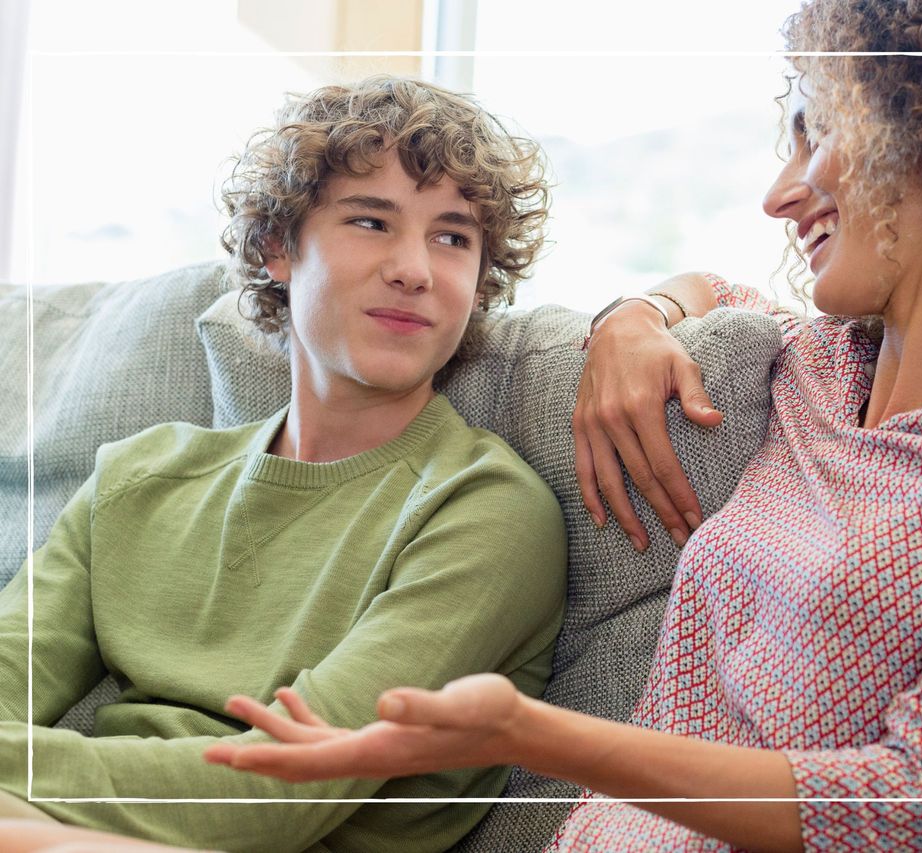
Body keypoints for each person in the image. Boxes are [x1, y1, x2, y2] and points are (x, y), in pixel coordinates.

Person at [21, 0, 922, 850]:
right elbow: (718, 291)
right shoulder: (810, 367)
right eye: (368, 224)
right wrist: (636, 312)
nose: (778, 188)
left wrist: (535, 731)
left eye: (813, 128)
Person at [0, 76, 566, 853]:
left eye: (453, 236)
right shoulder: (137, 479)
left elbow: (276, 792)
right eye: (372, 221)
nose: (415, 269)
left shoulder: (487, 508)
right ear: (277, 248)